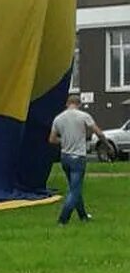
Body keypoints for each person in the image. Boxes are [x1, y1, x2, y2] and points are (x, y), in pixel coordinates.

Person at [48, 95, 113, 225]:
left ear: (67, 103)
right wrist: (107, 145)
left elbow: (52, 139)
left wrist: (64, 140)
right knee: (75, 190)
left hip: (65, 157)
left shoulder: (58, 118)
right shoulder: (83, 116)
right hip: (78, 157)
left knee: (74, 187)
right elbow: (98, 132)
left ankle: (83, 216)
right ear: (79, 104)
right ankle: (63, 219)